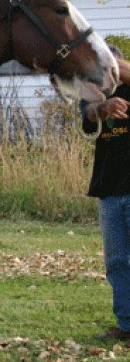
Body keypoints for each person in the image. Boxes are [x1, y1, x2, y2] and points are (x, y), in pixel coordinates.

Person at [81, 45, 130, 340]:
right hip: (109, 191)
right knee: (116, 262)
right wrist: (104, 107)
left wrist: (111, 63)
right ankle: (126, 326)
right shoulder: (96, 93)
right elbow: (87, 115)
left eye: (104, 71)